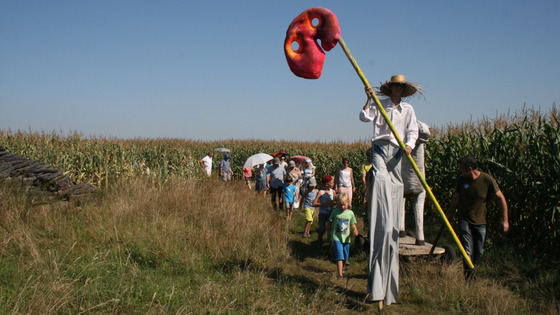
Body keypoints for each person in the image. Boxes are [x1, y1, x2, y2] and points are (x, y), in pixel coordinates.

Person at [360, 74, 421, 308]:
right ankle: (380, 214)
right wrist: (367, 100)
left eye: (400, 86)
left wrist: (409, 145)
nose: (397, 88)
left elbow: (412, 131)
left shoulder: (408, 109)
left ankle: (392, 220)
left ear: (403, 89)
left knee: (394, 188)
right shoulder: (380, 103)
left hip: (397, 152)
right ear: (390, 87)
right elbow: (364, 117)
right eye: (395, 85)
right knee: (381, 184)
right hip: (379, 148)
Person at [448, 154, 509, 282]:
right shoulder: (462, 180)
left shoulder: (487, 180)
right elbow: (456, 199)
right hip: (464, 219)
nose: (460, 171)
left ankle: (470, 270)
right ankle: (470, 280)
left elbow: (501, 198)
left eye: (462, 168)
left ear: (470, 168)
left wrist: (505, 220)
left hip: (481, 221)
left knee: (479, 250)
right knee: (467, 250)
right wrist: (449, 215)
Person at [400, 121, 431, 245]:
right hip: (408, 178)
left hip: (415, 179)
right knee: (405, 200)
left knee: (408, 199)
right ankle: (405, 230)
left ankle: (419, 236)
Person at [327, 193, 359, 280]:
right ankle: (340, 274)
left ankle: (343, 268)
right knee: (339, 255)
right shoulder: (335, 212)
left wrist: (355, 230)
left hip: (346, 238)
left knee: (345, 255)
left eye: (344, 205)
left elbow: (352, 223)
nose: (342, 207)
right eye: (340, 205)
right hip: (337, 237)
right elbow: (330, 222)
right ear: (337, 204)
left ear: (348, 203)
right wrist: (328, 232)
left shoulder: (350, 213)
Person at [313, 175, 336, 246]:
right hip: (323, 213)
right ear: (327, 184)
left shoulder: (333, 192)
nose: (333, 184)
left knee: (331, 229)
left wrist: (332, 203)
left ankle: (330, 243)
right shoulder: (321, 192)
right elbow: (314, 203)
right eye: (332, 183)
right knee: (322, 228)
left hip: (331, 213)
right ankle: (320, 241)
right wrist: (324, 205)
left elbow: (335, 202)